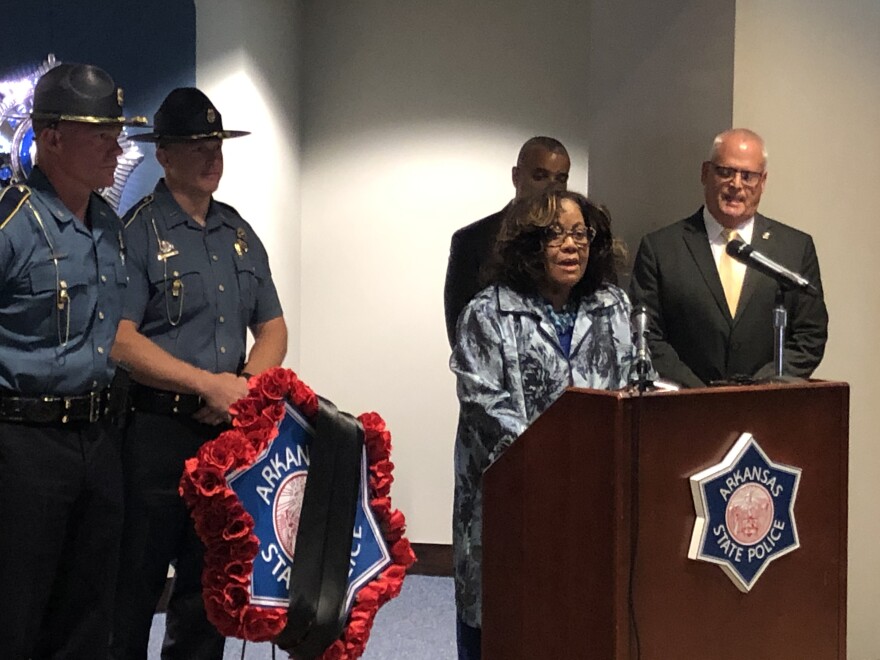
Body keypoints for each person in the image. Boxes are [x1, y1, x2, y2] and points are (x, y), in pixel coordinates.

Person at [109, 88, 288, 659]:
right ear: (163, 154)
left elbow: (274, 328)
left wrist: (241, 390)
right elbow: (120, 339)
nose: (212, 159)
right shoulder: (135, 232)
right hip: (154, 435)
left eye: (216, 145)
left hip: (223, 437)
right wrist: (207, 384)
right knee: (132, 590)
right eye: (196, 147)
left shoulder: (238, 232)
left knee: (208, 592)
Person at [450, 190, 634, 660]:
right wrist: (559, 456)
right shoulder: (488, 312)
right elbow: (482, 404)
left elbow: (635, 383)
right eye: (556, 235)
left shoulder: (613, 307)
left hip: (593, 502)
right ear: (528, 244)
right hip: (513, 502)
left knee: (579, 625)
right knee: (507, 627)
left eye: (580, 234)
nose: (571, 246)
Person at [0, 62, 145, 658]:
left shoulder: (107, 224)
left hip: (99, 437)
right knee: (16, 610)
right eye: (99, 132)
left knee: (89, 614)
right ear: (51, 136)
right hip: (23, 447)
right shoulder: (10, 222)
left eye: (117, 130)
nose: (118, 146)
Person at [629, 128, 828, 388]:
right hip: (684, 407)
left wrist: (755, 389)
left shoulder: (795, 249)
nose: (736, 184)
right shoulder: (661, 248)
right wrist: (700, 394)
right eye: (725, 172)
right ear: (705, 173)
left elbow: (809, 335)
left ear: (763, 182)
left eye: (748, 176)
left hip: (766, 407)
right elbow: (647, 334)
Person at [444, 136, 570, 346]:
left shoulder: (582, 243)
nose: (552, 188)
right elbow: (462, 334)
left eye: (561, 179)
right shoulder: (473, 241)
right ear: (516, 176)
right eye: (540, 176)